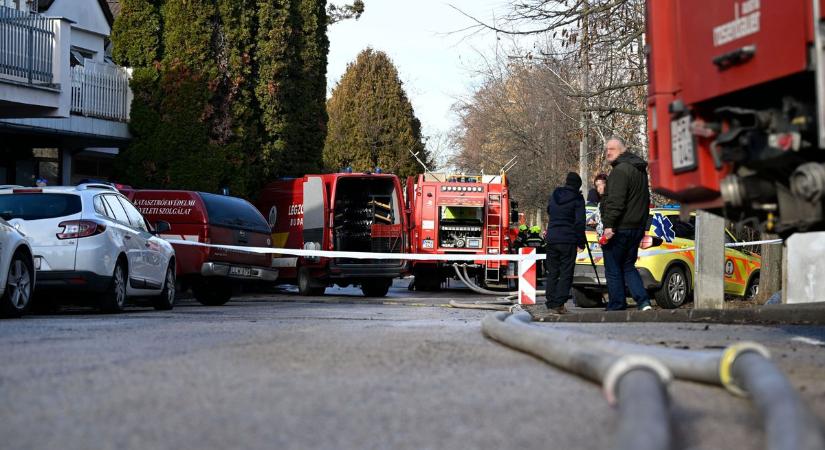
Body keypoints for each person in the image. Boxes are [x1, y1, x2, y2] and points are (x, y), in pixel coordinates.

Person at [600, 137, 653, 311]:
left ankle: (616, 304)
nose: (608, 152)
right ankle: (643, 302)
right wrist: (643, 227)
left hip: (619, 228)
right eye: (607, 149)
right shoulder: (639, 171)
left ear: (623, 150)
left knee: (613, 267)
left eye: (612, 149)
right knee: (628, 266)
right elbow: (645, 200)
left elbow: (616, 202)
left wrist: (609, 226)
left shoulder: (620, 171)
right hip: (636, 228)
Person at [544, 172, 587, 314]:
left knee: (552, 272)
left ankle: (550, 302)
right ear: (578, 186)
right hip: (568, 240)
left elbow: (549, 210)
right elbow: (580, 222)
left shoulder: (555, 194)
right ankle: (559, 304)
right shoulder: (578, 199)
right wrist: (581, 242)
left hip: (551, 238)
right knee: (566, 272)